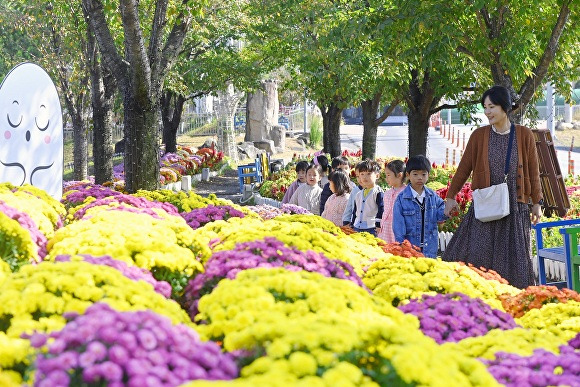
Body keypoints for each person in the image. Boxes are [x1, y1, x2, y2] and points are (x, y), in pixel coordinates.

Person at [442, 85, 543, 288]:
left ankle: (513, 304)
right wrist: (451, 196)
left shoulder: (524, 135)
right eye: (485, 107)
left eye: (492, 106)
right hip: (486, 206)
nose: (487, 112)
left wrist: (537, 202)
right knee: (474, 256)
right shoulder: (479, 136)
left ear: (505, 107)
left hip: (515, 207)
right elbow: (464, 168)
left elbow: (533, 172)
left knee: (515, 263)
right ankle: (475, 300)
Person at [393, 155, 446, 258]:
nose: (420, 177)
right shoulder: (402, 199)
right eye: (415, 174)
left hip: (430, 248)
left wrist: (449, 211)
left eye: (423, 174)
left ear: (428, 175)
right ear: (408, 175)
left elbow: (440, 215)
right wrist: (401, 245)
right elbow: (398, 225)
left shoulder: (432, 196)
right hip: (410, 249)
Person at [348, 159, 384, 236]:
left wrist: (378, 225)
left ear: (377, 176)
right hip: (357, 226)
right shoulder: (358, 194)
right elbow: (355, 211)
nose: (365, 177)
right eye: (362, 174)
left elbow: (381, 209)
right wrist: (352, 224)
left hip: (371, 227)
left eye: (368, 174)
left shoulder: (378, 192)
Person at [378, 159, 406, 243]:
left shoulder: (406, 193)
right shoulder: (387, 193)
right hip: (385, 230)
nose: (386, 178)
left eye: (388, 175)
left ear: (399, 175)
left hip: (397, 230)